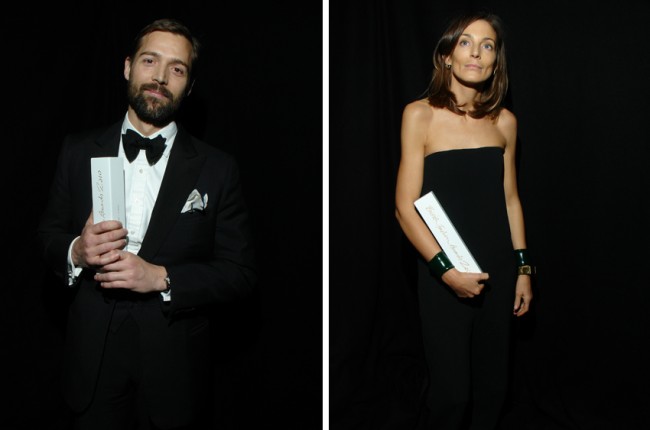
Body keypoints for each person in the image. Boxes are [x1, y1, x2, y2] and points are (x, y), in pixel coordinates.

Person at [37, 18, 256, 430]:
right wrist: (76, 251)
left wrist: (160, 277)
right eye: (149, 60)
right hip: (92, 358)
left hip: (175, 365)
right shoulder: (77, 150)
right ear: (127, 66)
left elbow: (239, 274)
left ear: (189, 86)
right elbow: (47, 236)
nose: (160, 77)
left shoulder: (217, 168)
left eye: (177, 68)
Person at [394, 11, 534, 430]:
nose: (476, 53)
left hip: (500, 272)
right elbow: (404, 207)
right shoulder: (419, 115)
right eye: (466, 42)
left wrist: (523, 269)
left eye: (487, 45)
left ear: (495, 61)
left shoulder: (505, 122)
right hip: (443, 275)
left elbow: (511, 200)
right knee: (452, 395)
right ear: (447, 55)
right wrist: (446, 272)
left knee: (493, 390)